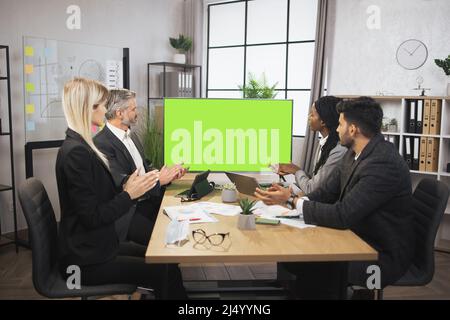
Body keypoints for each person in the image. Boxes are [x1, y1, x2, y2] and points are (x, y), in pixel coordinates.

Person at [256, 97, 414, 299]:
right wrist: (290, 196)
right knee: (294, 259)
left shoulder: (382, 163)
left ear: (353, 129)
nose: (336, 129)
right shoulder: (354, 153)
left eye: (340, 124)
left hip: (379, 255)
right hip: (356, 237)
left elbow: (343, 215)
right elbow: (326, 193)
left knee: (308, 263)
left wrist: (292, 202)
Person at [56, 78, 186, 299]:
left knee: (165, 259)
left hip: (98, 247)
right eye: (101, 104)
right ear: (88, 107)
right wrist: (129, 194)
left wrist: (135, 189)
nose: (106, 109)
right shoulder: (77, 153)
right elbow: (92, 217)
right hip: (84, 262)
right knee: (163, 269)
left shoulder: (81, 147)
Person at [94, 88, 186, 246]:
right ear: (119, 113)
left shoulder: (132, 135)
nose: (137, 112)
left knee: (180, 220)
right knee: (164, 241)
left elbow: (146, 167)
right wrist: (159, 180)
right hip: (129, 212)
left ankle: (170, 268)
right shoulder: (101, 144)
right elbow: (122, 183)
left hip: (148, 201)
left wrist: (168, 175)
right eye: (133, 109)